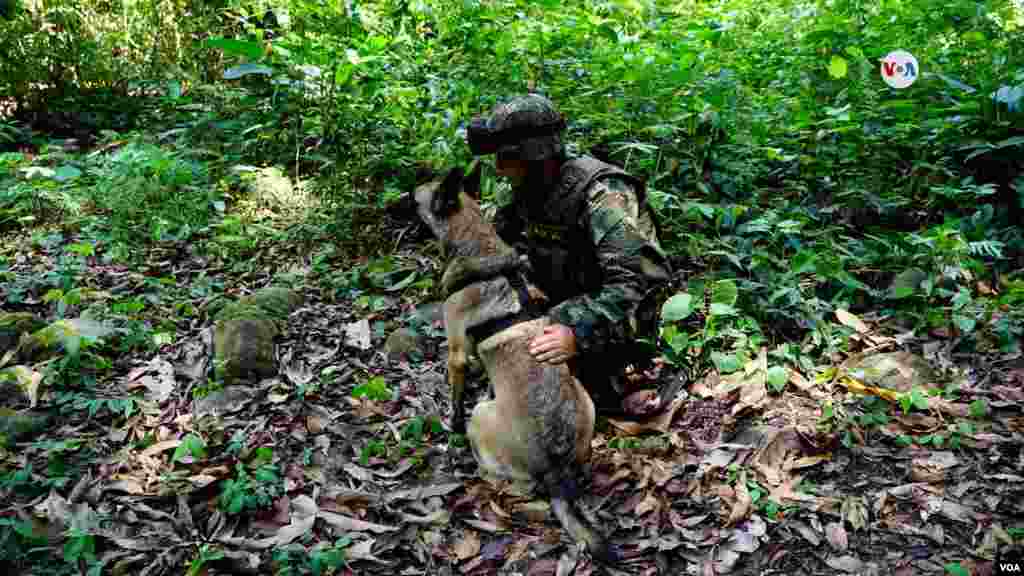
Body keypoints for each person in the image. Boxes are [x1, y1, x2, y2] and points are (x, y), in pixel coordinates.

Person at [465, 93, 673, 416]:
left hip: (623, 320)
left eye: (505, 157)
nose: (499, 168)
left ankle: (612, 383)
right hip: (566, 306)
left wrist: (576, 331)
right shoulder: (530, 194)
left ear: (532, 157)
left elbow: (640, 287)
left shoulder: (602, 194)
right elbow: (505, 256)